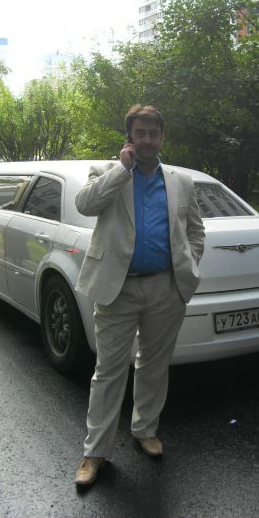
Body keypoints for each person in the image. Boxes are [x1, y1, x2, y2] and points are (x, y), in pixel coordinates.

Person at [74, 104, 205, 486]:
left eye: (153, 133)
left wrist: (188, 265)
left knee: (154, 365)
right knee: (108, 371)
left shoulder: (181, 182)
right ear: (130, 137)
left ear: (162, 137)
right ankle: (95, 453)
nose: (147, 140)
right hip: (117, 288)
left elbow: (195, 231)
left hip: (166, 288)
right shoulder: (106, 172)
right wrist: (122, 168)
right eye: (140, 133)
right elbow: (85, 204)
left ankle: (145, 430)